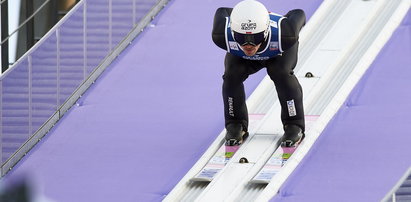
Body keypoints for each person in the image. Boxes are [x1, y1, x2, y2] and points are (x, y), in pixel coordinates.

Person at [211, 0, 306, 147]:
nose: (249, 45)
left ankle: (294, 124)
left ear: (267, 31)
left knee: (281, 73)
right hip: (243, 57)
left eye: (256, 38)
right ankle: (235, 123)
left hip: (277, 53)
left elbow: (298, 13)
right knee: (231, 75)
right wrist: (242, 14)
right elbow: (222, 9)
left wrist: (283, 21)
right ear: (233, 31)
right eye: (242, 38)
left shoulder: (286, 34)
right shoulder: (220, 34)